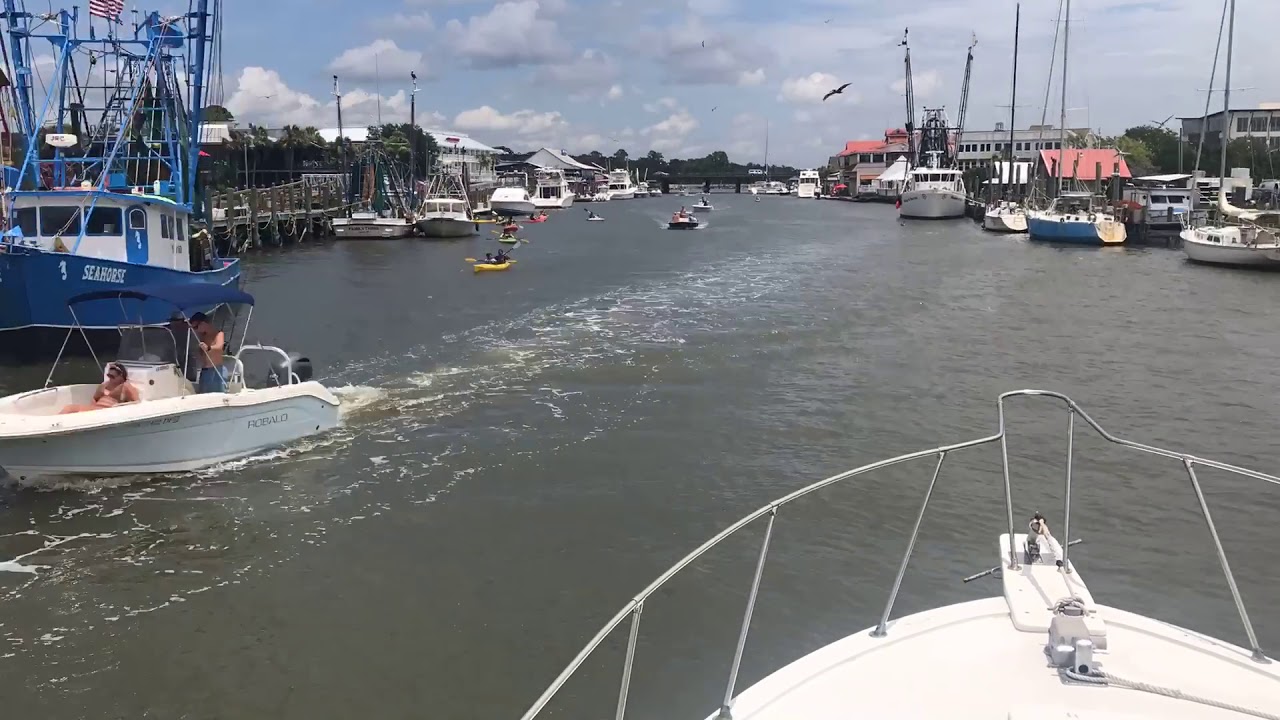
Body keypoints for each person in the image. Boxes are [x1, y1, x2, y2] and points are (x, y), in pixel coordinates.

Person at [60, 362, 140, 413]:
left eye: (113, 376)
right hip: (96, 410)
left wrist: (120, 408)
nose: (110, 378)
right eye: (109, 376)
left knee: (71, 409)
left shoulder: (125, 386)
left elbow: (136, 402)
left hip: (108, 411)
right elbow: (95, 398)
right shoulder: (104, 385)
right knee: (69, 408)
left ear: (121, 377)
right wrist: (92, 407)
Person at [189, 312, 227, 393]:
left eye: (196, 327)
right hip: (205, 371)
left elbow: (219, 347)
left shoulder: (219, 334)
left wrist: (208, 347)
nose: (195, 330)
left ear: (203, 323)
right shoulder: (202, 336)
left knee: (218, 395)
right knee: (203, 394)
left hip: (216, 371)